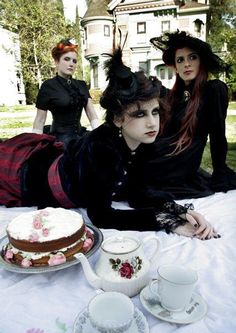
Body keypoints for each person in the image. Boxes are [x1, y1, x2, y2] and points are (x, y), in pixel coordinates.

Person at [0, 48, 219, 240]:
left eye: (155, 112)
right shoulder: (102, 149)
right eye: (140, 114)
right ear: (117, 119)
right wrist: (168, 222)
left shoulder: (143, 143)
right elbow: (101, 216)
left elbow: (138, 193)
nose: (152, 122)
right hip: (32, 176)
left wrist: (180, 212)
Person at [142, 30, 236, 199]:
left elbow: (217, 135)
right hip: (163, 153)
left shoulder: (213, 89)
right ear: (175, 67)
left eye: (192, 57)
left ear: (202, 61)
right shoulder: (174, 96)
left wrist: (219, 171)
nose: (187, 64)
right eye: (180, 60)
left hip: (180, 163)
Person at [32, 39, 99, 146]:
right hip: (59, 140)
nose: (71, 64)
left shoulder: (81, 85)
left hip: (80, 136)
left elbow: (91, 113)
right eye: (67, 59)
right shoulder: (48, 86)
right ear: (57, 62)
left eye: (74, 61)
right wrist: (35, 145)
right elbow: (40, 120)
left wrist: (98, 133)